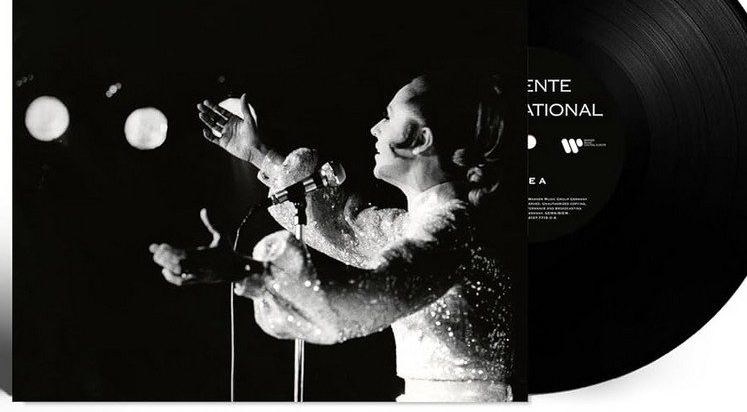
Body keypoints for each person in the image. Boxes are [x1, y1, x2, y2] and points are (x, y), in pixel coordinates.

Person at [149, 71, 516, 402]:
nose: (375, 128)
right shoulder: (422, 225)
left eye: (388, 116)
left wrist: (246, 272)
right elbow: (344, 226)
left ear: (421, 139)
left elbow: (368, 297)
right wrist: (259, 153)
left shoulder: (453, 231)